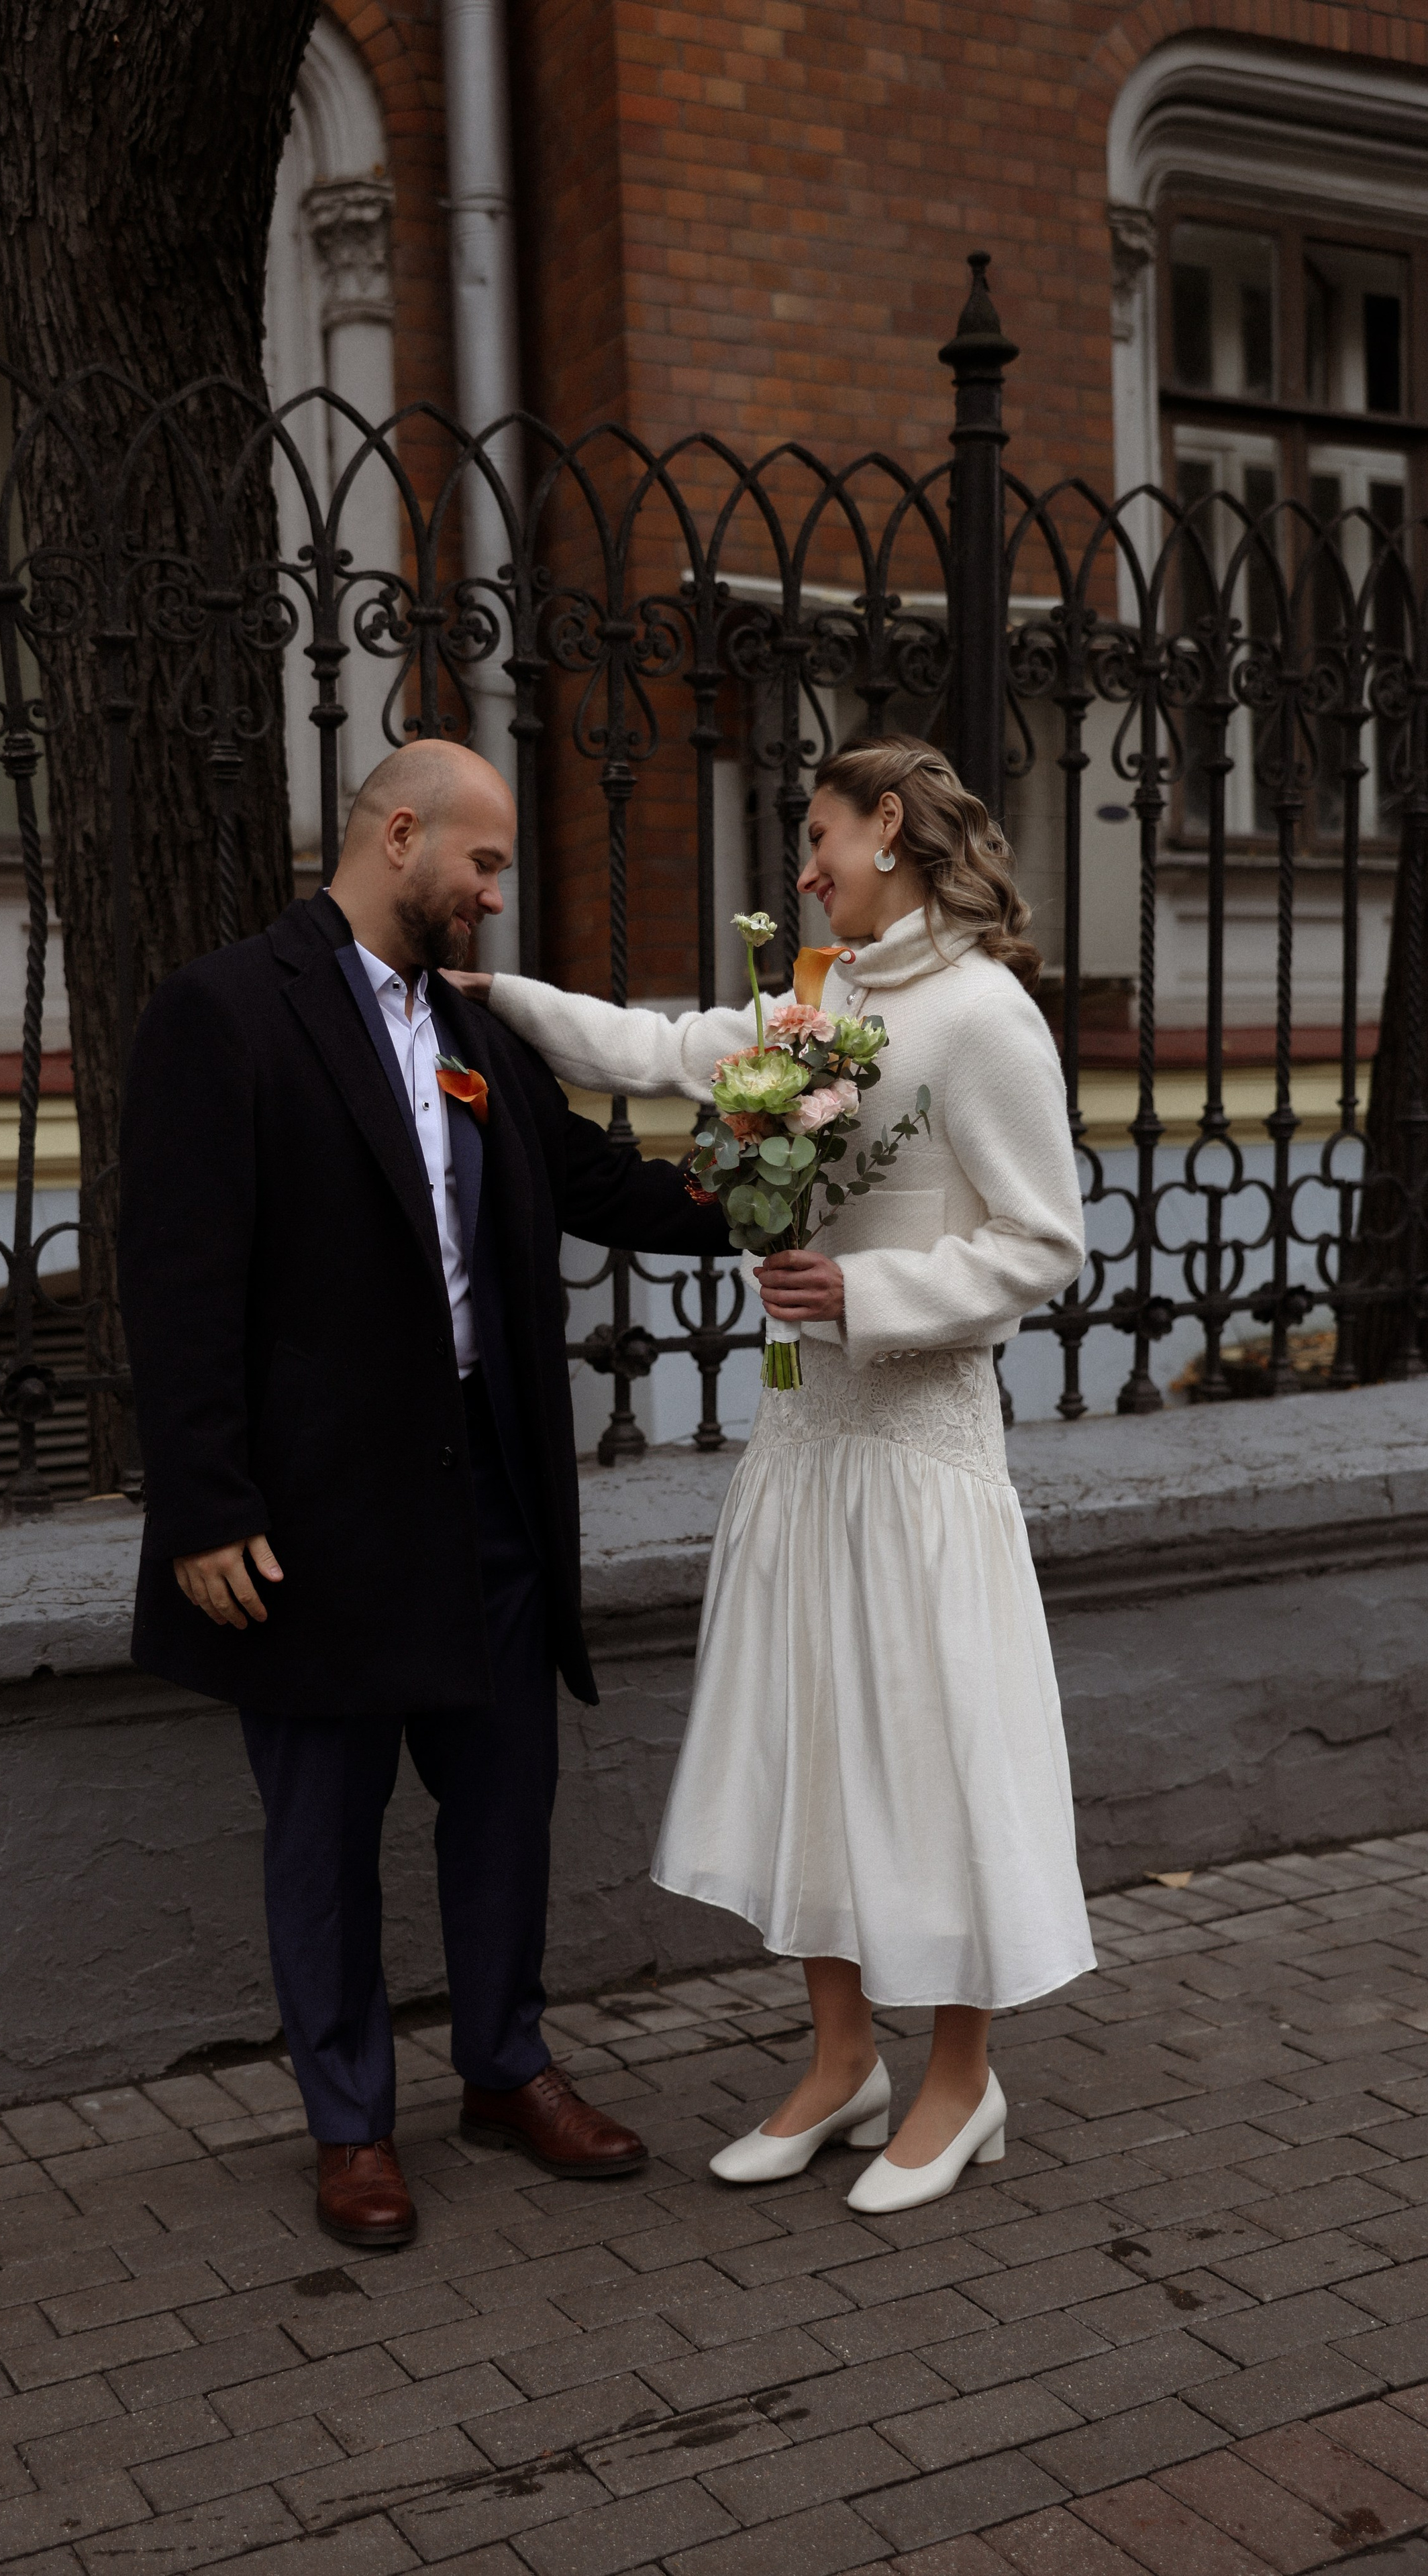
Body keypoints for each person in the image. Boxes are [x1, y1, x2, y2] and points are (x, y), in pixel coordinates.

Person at [446, 735, 1095, 2216]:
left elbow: (1043, 1242)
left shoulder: (984, 1014)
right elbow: (664, 1048)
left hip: (917, 1455)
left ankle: (957, 2078)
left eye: (817, 838)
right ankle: (838, 2060)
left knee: (930, 1756)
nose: (800, 872)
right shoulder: (818, 995)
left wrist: (867, 1299)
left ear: (888, 826)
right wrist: (490, 1000)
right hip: (803, 1443)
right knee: (814, 1745)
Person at [118, 739, 730, 2251]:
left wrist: (776, 1186)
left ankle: (506, 2069)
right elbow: (178, 1276)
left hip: (491, 1498)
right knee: (321, 1830)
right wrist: (202, 1504)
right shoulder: (226, 1012)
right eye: (482, 861)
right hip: (314, 1518)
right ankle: (348, 2124)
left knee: (504, 1800)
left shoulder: (477, 1034)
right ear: (400, 836)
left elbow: (599, 1190)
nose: (492, 892)